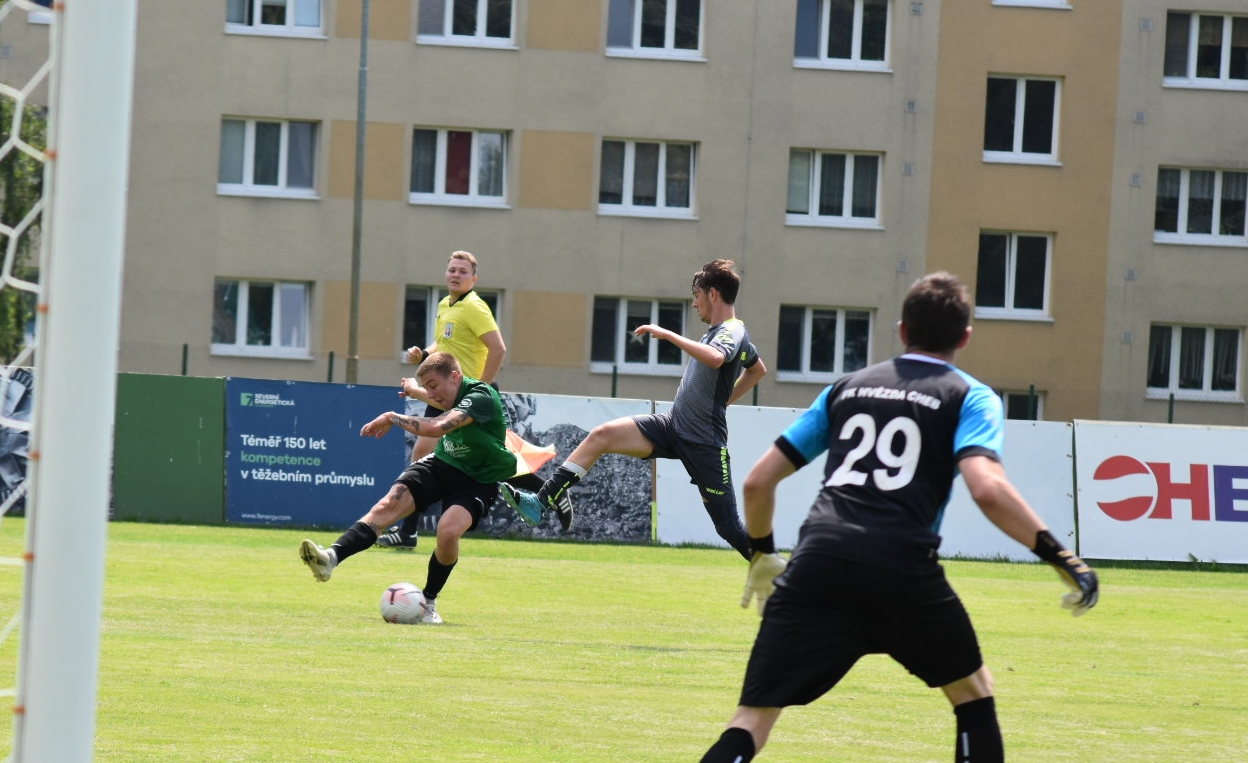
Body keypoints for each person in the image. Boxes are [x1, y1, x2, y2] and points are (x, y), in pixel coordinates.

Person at [698, 271, 1099, 763]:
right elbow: (988, 490)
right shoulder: (970, 396)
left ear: (903, 331)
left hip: (819, 563)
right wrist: (1063, 558)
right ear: (965, 337)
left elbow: (758, 482)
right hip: (902, 567)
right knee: (973, 694)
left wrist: (762, 554)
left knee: (752, 718)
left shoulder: (846, 389)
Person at [502, 259, 767, 557]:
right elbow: (757, 369)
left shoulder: (730, 331)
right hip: (673, 425)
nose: (695, 304)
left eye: (697, 296)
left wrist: (669, 335)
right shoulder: (726, 331)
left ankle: (782, 573)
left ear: (713, 294)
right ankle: (540, 502)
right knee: (601, 435)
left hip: (704, 441)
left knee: (728, 527)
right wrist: (724, 400)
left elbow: (717, 358)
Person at [298, 352, 522, 624]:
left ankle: (428, 602)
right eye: (427, 387)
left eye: (433, 385)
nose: (431, 394)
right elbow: (434, 404)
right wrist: (415, 390)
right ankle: (330, 558)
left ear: (454, 376)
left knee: (448, 532)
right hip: (442, 463)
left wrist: (392, 417)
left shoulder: (481, 396)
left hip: (478, 478)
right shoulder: (448, 394)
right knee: (388, 505)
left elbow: (438, 427)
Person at [378, 250, 509, 549]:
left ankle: (409, 531)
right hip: (446, 396)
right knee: (423, 456)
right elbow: (445, 341)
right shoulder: (445, 304)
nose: (456, 275)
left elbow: (498, 348)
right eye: (452, 270)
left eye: (463, 271)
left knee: (463, 459)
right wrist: (425, 353)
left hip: (465, 398)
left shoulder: (474, 306)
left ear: (474, 279)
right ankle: (408, 532)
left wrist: (481, 391)